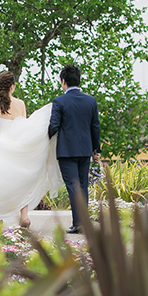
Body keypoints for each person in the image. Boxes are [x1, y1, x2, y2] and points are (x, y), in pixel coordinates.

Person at [0, 71, 63, 228]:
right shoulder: (21, 104)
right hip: (18, 146)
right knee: (20, 182)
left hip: (0, 146)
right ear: (13, 86)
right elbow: (24, 127)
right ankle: (24, 216)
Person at [47, 64, 101, 234]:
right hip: (85, 150)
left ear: (63, 81)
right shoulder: (90, 101)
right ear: (79, 80)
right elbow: (95, 127)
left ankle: (78, 223)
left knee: (72, 185)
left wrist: (46, 139)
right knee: (83, 185)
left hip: (67, 151)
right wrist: (96, 150)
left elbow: (54, 126)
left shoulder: (59, 101)